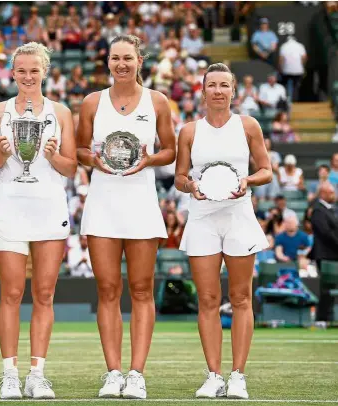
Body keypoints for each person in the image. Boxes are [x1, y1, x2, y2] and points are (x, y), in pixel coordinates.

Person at [76, 35, 176, 399]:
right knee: (107, 289)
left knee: (141, 289)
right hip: (102, 202)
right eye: (115, 58)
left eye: (128, 58)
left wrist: (149, 159)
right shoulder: (91, 102)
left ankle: (137, 374)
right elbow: (80, 149)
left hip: (141, 204)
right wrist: (94, 160)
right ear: (108, 62)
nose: (121, 64)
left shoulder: (158, 101)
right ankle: (113, 372)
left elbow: (171, 151)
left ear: (140, 61)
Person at [0, 41, 76, 400]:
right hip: (10, 206)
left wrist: (53, 157)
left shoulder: (61, 112)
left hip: (49, 206)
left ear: (44, 71)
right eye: (21, 70)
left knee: (45, 293)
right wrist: (0, 153)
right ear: (12, 73)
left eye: (34, 70)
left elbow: (70, 167)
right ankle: (9, 374)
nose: (28, 76)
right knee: (11, 293)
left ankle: (37, 374)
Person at [175, 63, 272, 399]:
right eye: (211, 85)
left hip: (238, 217)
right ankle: (213, 375)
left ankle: (238, 376)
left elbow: (266, 171)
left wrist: (247, 181)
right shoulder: (189, 131)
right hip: (202, 218)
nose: (217, 90)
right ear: (203, 91)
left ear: (233, 90)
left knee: (241, 298)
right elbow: (179, 177)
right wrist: (191, 186)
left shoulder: (249, 125)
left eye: (224, 85)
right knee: (207, 299)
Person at [308, 182, 338, 321]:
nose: (334, 195)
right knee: (326, 288)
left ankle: (328, 317)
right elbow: (326, 233)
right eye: (331, 192)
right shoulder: (318, 210)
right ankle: (322, 318)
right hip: (325, 256)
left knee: (331, 287)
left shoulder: (330, 209)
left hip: (332, 255)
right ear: (323, 193)